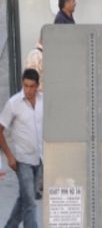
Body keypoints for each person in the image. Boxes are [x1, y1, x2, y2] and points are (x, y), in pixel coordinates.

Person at [0, 69, 44, 228]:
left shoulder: (43, 101)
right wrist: (9, 156)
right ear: (22, 84)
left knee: (25, 198)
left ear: (37, 86)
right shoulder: (13, 103)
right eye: (25, 86)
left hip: (39, 159)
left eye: (32, 86)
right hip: (22, 160)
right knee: (31, 203)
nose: (28, 90)